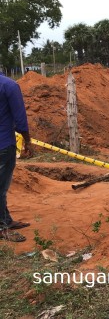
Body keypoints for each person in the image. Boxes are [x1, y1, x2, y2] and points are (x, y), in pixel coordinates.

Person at [0, 70, 33, 242]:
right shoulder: (9, 85)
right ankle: (2, 227)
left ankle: (6, 220)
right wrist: (28, 141)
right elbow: (20, 119)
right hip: (3, 144)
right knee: (1, 187)